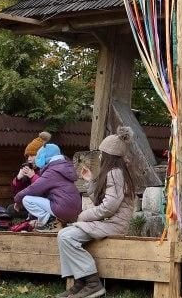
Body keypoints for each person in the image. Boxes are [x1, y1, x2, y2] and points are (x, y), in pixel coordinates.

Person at [56, 128, 136, 298]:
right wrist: (91, 181)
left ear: (108, 156)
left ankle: (93, 284)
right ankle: (80, 282)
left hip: (114, 225)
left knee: (66, 236)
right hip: (109, 223)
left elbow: (108, 208)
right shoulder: (115, 172)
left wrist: (83, 216)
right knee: (64, 234)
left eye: (101, 153)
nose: (99, 156)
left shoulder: (115, 173)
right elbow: (102, 202)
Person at [14, 142, 82, 231]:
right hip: (74, 209)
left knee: (26, 199)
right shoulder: (62, 167)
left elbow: (34, 189)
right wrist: (18, 178)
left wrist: (17, 199)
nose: (30, 158)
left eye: (34, 155)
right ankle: (56, 222)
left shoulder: (52, 171)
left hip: (63, 209)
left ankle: (51, 222)